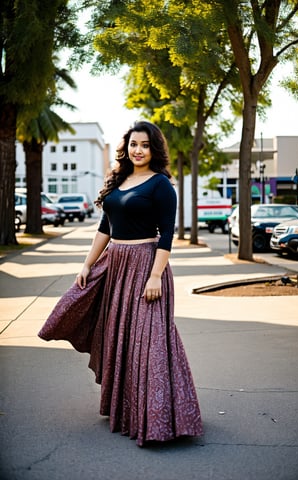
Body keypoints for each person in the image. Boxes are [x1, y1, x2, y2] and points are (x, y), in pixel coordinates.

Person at [38, 120, 203, 447]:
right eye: (133, 144)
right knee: (121, 339)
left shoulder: (161, 185)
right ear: (126, 148)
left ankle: (159, 419)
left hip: (145, 268)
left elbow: (167, 235)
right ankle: (126, 410)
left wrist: (155, 275)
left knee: (151, 342)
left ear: (154, 149)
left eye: (144, 145)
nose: (138, 150)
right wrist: (88, 263)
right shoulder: (118, 181)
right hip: (115, 266)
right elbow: (105, 227)